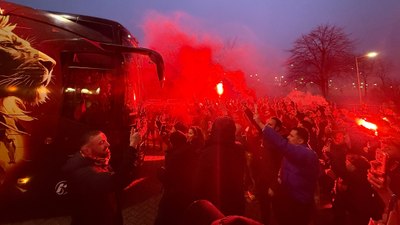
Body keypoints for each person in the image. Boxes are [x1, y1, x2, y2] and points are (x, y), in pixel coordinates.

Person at [62, 129, 141, 225]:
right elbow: (117, 181)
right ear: (87, 150)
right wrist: (132, 146)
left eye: (106, 140)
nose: (108, 144)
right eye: (101, 143)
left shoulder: (98, 160)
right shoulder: (83, 173)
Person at [254, 113, 320, 225]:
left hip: (299, 201)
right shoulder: (292, 153)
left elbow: (282, 145)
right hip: (288, 197)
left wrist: (261, 124)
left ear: (300, 141)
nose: (288, 137)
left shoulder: (306, 153)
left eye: (292, 136)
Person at [194, 116, 246, 216]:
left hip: (213, 204)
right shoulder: (238, 149)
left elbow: (199, 183)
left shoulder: (207, 152)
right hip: (234, 201)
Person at [368, 137, 400, 225]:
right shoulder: (387, 165)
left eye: (390, 143)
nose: (385, 145)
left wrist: (384, 192)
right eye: (383, 142)